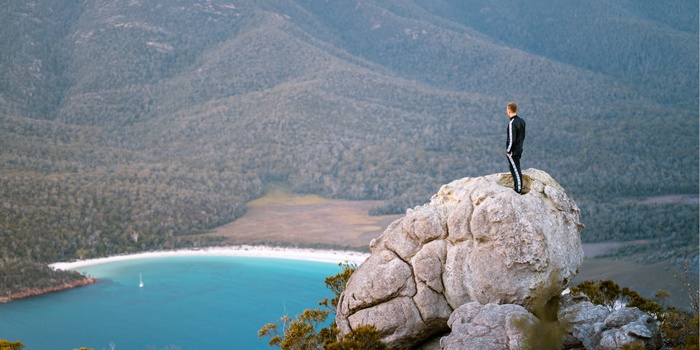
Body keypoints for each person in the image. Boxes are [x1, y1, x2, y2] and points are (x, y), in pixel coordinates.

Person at [505, 102, 526, 193]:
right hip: (519, 148)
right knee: (513, 167)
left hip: (513, 151)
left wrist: (508, 150)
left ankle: (518, 189)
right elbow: (522, 136)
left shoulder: (512, 123)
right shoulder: (522, 121)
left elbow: (511, 139)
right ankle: (517, 186)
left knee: (516, 170)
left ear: (509, 110)